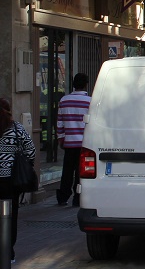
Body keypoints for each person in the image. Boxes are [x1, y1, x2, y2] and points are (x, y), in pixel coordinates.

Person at [1, 97, 36, 263]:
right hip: (10, 181)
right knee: (10, 216)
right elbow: (31, 151)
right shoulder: (16, 128)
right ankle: (9, 252)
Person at [57, 72, 91, 207]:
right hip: (85, 143)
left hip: (69, 142)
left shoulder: (64, 101)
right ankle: (77, 198)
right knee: (80, 172)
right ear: (86, 85)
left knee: (67, 171)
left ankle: (63, 197)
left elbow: (60, 122)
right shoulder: (90, 102)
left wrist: (61, 138)